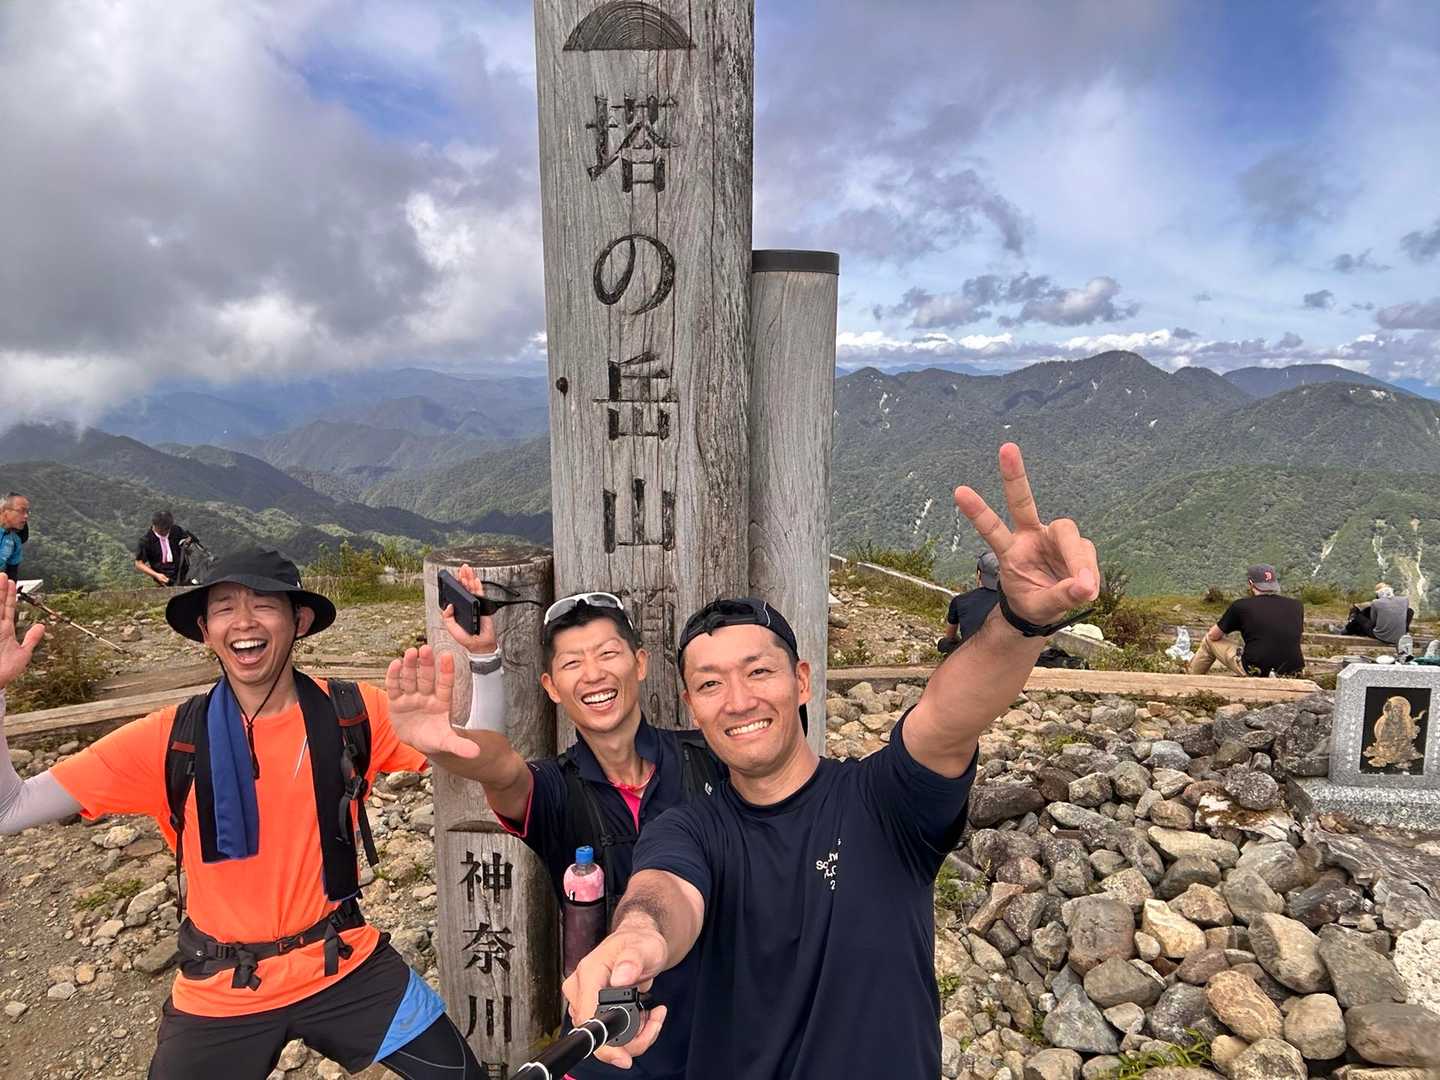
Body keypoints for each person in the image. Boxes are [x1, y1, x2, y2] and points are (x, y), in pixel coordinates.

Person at [562, 443, 1100, 1078]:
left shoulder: (886, 803)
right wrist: (635, 938)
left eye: (758, 671)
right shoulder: (687, 828)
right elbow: (663, 893)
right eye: (709, 684)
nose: (738, 700)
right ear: (691, 706)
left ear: (801, 681)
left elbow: (946, 718)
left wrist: (1018, 622)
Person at [0, 550, 490, 1079]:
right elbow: (11, 809)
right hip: (221, 987)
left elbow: (478, 758)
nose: (244, 621)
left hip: (343, 959)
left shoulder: (352, 713)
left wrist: (485, 661)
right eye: (224, 607)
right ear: (205, 631)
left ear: (299, 622)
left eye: (263, 604)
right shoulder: (168, 739)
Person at [388, 568, 724, 1080]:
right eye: (571, 663)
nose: (593, 674)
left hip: (725, 1035)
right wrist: (454, 733)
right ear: (551, 686)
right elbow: (500, 767)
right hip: (606, 1045)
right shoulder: (553, 789)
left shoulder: (708, 760)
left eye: (608, 654)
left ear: (639, 663)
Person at [1188, 564, 1304, 677]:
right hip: (1294, 670)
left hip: (1255, 669)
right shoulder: (1296, 605)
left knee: (1209, 640)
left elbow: (1213, 635)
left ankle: (1190, 678)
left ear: (1250, 583)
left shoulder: (1241, 606)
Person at [937, 550, 1001, 654]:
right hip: (1005, 654)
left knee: (944, 643)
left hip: (970, 654)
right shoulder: (1014, 602)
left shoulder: (960, 600)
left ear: (979, 574)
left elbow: (950, 636)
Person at [135, 510, 200, 586]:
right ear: (154, 526)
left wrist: (187, 544)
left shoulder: (176, 530)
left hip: (183, 574)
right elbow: (139, 563)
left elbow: (186, 541)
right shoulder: (146, 541)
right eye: (161, 530)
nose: (165, 532)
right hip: (165, 579)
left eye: (167, 529)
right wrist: (156, 575)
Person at [1344, 583, 1415, 647]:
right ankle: (1404, 630)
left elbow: (1373, 622)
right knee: (1410, 611)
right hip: (1400, 637)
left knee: (1357, 616)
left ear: (1378, 594)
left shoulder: (1376, 602)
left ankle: (1346, 631)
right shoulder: (1405, 600)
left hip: (1381, 636)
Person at [0, 492, 30, 581]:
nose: (26, 516)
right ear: (3, 510)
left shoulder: (15, 540)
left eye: (27, 512)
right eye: (21, 511)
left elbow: (12, 572)